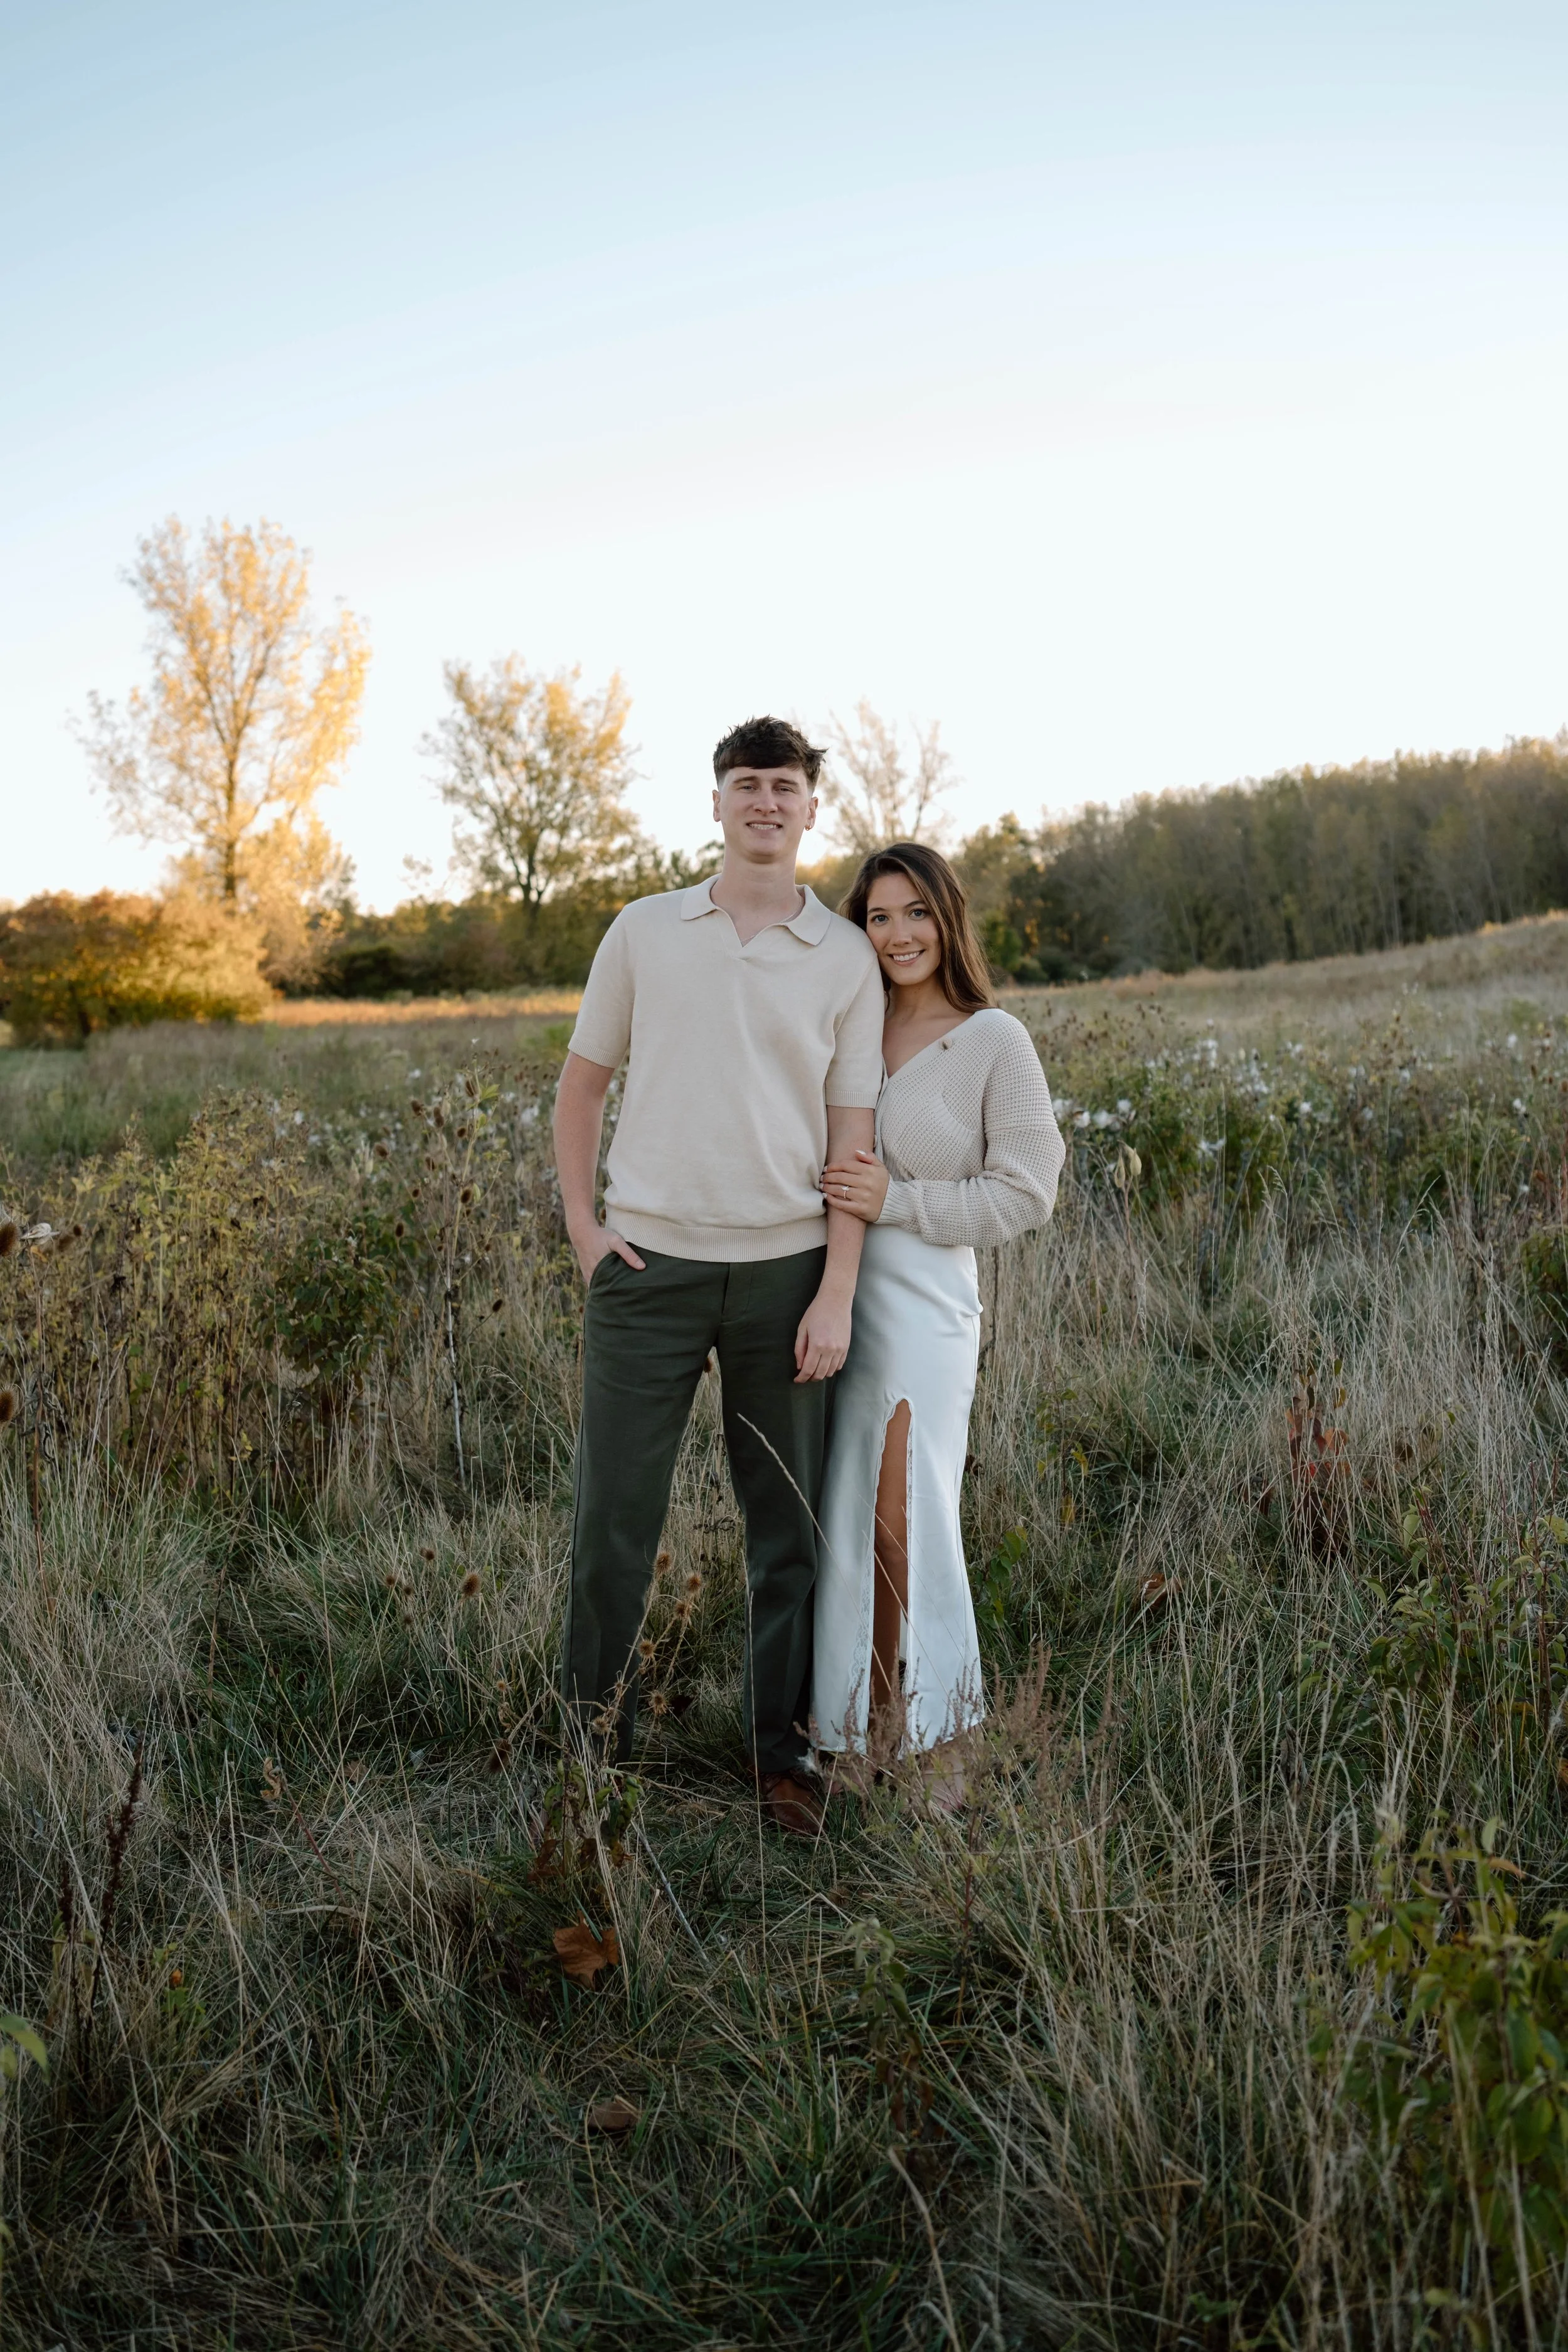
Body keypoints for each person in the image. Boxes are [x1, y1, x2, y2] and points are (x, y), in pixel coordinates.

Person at [553, 716, 883, 1838]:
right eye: (747, 785)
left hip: (786, 1273)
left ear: (809, 809)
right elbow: (582, 1086)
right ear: (716, 804)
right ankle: (592, 1750)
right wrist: (587, 1229)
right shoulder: (646, 931)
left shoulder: (843, 956)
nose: (766, 803)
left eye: (785, 787)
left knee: (786, 1528)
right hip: (648, 1269)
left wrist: (837, 1287)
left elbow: (854, 1140)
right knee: (613, 1520)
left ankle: (778, 1756)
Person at [811, 842, 1066, 1808]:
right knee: (843, 1512)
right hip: (829, 1296)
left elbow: (1028, 1192)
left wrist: (900, 1202)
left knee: (903, 1512)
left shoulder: (993, 1038)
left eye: (915, 912)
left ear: (947, 917)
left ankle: (936, 1739)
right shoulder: (849, 1023)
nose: (899, 933)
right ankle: (846, 1734)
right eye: (879, 917)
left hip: (922, 1305)